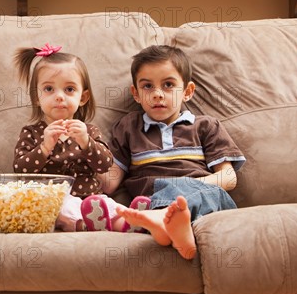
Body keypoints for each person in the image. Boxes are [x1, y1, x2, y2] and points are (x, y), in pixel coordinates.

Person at [101, 45, 246, 259]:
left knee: (195, 194)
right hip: (151, 198)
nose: (158, 94)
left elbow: (229, 177)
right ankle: (175, 232)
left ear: (187, 92)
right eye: (148, 86)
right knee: (153, 201)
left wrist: (186, 187)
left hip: (208, 198)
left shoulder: (205, 126)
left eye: (168, 85)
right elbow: (110, 182)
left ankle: (159, 218)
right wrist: (86, 147)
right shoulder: (129, 127)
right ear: (136, 94)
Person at [13, 43, 151, 233]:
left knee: (109, 205)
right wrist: (44, 147)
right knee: (65, 208)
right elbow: (20, 170)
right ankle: (86, 225)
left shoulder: (89, 131)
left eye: (69, 89)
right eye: (49, 89)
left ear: (83, 97)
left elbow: (104, 165)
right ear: (37, 97)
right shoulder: (32, 133)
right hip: (53, 198)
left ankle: (130, 221)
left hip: (91, 199)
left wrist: (87, 143)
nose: (60, 97)